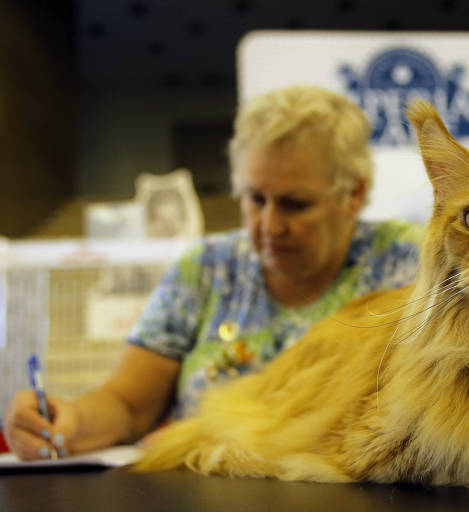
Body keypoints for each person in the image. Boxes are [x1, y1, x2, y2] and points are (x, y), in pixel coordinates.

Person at [3, 85, 422, 460]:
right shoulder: (205, 270)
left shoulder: (412, 265)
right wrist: (70, 419)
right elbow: (129, 405)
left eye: (296, 204)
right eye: (255, 199)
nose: (270, 225)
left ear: (354, 194)